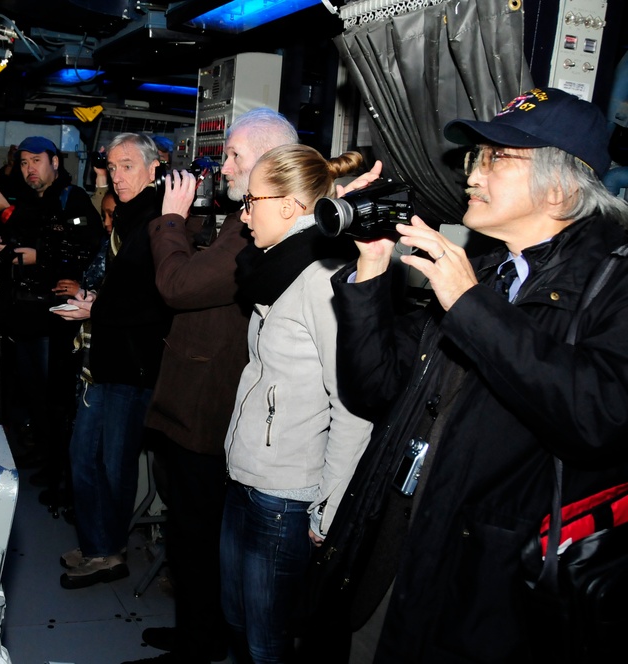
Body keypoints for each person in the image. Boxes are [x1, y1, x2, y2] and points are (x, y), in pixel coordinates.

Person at [325, 87, 628, 662]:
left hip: (490, 592)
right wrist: (370, 270)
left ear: (561, 187)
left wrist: (468, 305)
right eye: (475, 156)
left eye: (497, 157)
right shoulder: (486, 272)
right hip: (401, 547)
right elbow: (374, 393)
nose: (472, 174)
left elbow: (598, 416)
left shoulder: (610, 284)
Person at [128, 108, 301, 664]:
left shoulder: (256, 236)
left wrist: (172, 218)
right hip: (194, 401)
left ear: (271, 168)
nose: (223, 166)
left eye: (234, 158)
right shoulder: (238, 222)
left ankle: (199, 645)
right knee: (189, 533)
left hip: (210, 410)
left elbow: (178, 286)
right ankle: (193, 633)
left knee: (197, 539)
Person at [216, 144, 373, 664]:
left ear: (287, 206)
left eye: (250, 201)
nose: (242, 214)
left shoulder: (323, 279)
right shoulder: (274, 271)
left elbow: (354, 404)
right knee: (238, 621)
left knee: (269, 643)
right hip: (246, 476)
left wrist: (327, 509)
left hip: (287, 496)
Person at [53, 133, 172, 589]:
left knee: (112, 464)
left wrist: (94, 308)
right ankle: (96, 542)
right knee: (83, 456)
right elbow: (126, 292)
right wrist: (93, 300)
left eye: (126, 166)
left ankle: (109, 552)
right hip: (103, 356)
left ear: (152, 168)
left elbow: (158, 301)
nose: (116, 176)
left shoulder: (162, 220)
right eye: (112, 167)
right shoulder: (127, 216)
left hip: (134, 363)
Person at [0, 136, 103, 492]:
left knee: (55, 399)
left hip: (54, 316)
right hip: (24, 312)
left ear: (55, 162)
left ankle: (62, 476)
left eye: (36, 161)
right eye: (23, 163)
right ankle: (45, 457)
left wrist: (40, 257)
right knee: (33, 395)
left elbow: (85, 249)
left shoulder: (73, 199)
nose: (29, 169)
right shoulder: (28, 201)